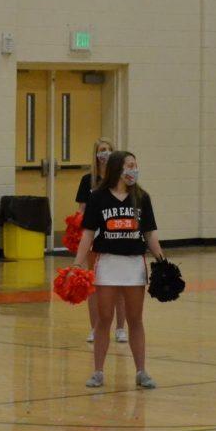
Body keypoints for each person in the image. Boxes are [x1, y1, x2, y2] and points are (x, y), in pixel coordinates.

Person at [71, 151, 163, 389]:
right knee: (104, 319)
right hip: (107, 263)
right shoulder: (99, 198)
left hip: (133, 264)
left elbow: (149, 233)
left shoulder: (142, 197)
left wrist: (162, 260)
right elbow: (88, 233)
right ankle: (98, 371)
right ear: (117, 169)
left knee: (135, 319)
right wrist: (77, 264)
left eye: (135, 165)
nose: (134, 170)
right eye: (130, 165)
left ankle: (141, 371)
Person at [75, 138, 126, 344]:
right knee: (94, 283)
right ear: (95, 155)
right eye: (100, 150)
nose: (104, 154)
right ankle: (95, 327)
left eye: (108, 150)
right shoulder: (87, 180)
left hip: (116, 235)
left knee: (121, 283)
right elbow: (81, 211)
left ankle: (121, 328)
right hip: (95, 236)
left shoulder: (121, 179)